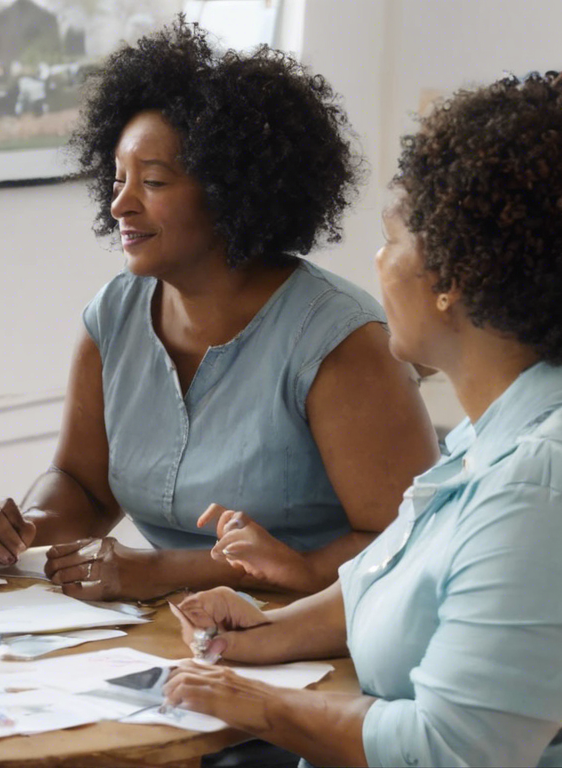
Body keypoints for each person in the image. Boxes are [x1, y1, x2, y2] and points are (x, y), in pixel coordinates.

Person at [0, 21, 439, 598]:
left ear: (233, 190)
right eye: (117, 179)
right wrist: (24, 528)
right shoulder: (114, 315)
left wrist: (167, 572)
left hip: (320, 636)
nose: (120, 204)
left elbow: (400, 544)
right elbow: (83, 486)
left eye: (153, 181)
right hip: (169, 632)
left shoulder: (341, 343)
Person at [165, 71, 562, 767]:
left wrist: (251, 701)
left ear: (451, 280)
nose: (377, 262)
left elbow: (450, 750)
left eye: (393, 239)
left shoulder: (536, 484)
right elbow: (394, 584)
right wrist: (266, 631)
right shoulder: (486, 439)